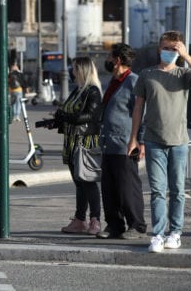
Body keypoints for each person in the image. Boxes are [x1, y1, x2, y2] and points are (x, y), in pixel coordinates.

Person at [128, 30, 191, 253]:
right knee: (157, 190)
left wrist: (187, 56)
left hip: (179, 142)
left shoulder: (183, 74)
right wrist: (134, 138)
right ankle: (158, 235)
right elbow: (138, 107)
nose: (169, 52)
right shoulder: (147, 74)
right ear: (159, 48)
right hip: (153, 140)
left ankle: (175, 232)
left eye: (174, 49)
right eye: (166, 48)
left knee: (177, 190)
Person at [97, 43, 146, 240]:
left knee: (127, 188)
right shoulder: (114, 81)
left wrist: (140, 141)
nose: (107, 61)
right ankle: (114, 224)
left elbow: (142, 113)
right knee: (109, 188)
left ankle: (137, 225)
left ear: (117, 60)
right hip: (109, 143)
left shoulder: (133, 82)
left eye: (110, 57)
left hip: (126, 143)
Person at [53, 56, 102, 236]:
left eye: (74, 68)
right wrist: (55, 121)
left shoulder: (93, 91)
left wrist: (66, 118)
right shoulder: (78, 91)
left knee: (87, 181)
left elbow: (89, 116)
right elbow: (68, 112)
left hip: (84, 143)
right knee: (79, 184)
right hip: (71, 142)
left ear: (82, 70)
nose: (72, 72)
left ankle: (95, 220)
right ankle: (80, 219)